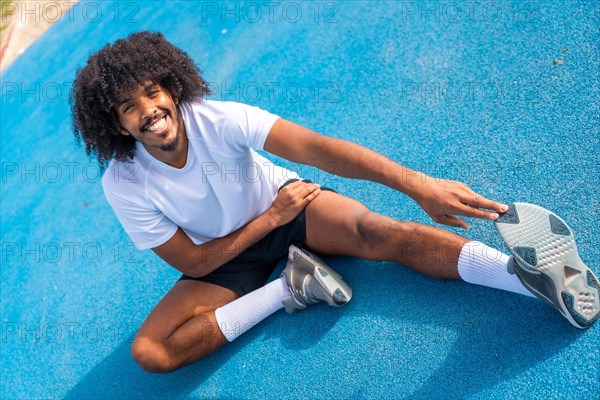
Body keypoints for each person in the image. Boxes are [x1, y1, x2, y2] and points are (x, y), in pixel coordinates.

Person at [70, 31, 599, 374]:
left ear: (170, 85)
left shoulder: (220, 118)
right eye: (128, 107)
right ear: (114, 125)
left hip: (290, 206)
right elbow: (193, 261)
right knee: (151, 353)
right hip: (225, 253)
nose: (150, 112)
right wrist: (269, 222)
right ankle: (287, 288)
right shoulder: (124, 183)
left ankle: (528, 277)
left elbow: (320, 151)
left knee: (383, 234)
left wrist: (415, 183)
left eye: (152, 93)